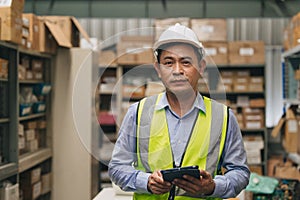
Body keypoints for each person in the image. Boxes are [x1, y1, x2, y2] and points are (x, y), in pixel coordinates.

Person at [108, 23, 250, 200]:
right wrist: (146, 182)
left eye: (186, 62)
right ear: (158, 70)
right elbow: (117, 167)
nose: (177, 71)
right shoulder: (138, 113)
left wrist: (213, 186)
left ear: (201, 67)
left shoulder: (224, 117)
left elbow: (240, 172)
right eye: (168, 63)